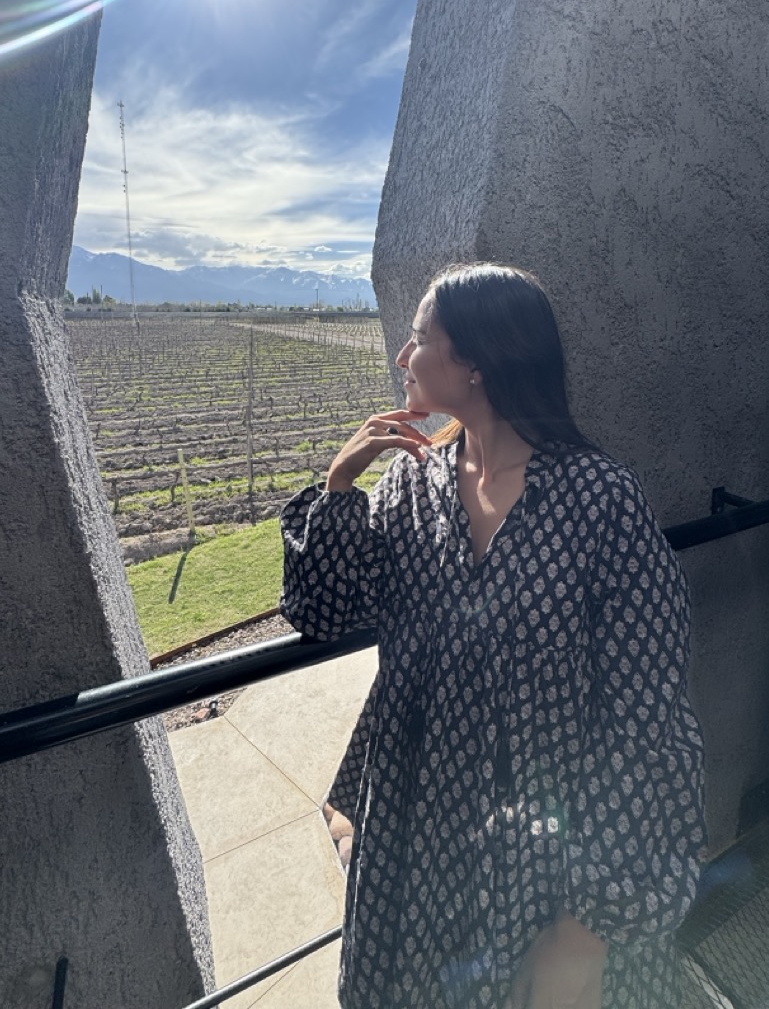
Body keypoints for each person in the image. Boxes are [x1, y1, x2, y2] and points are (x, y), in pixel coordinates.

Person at [280, 262, 706, 1009]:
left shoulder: (601, 502)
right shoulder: (410, 486)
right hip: (415, 839)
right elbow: (325, 611)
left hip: (548, 866)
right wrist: (339, 485)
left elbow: (647, 719)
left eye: (419, 339)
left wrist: (589, 927)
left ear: (477, 362)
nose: (403, 357)